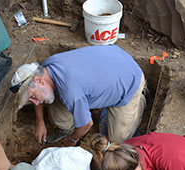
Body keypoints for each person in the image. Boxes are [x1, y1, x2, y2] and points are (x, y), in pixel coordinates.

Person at [10, 45, 147, 146]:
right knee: (55, 106)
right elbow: (39, 97)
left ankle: (139, 101)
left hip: (128, 79)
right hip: (106, 66)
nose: (35, 102)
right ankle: (67, 125)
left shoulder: (71, 92)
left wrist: (72, 139)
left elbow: (86, 124)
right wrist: (40, 122)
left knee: (117, 140)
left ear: (38, 80)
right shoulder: (46, 67)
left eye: (32, 96)